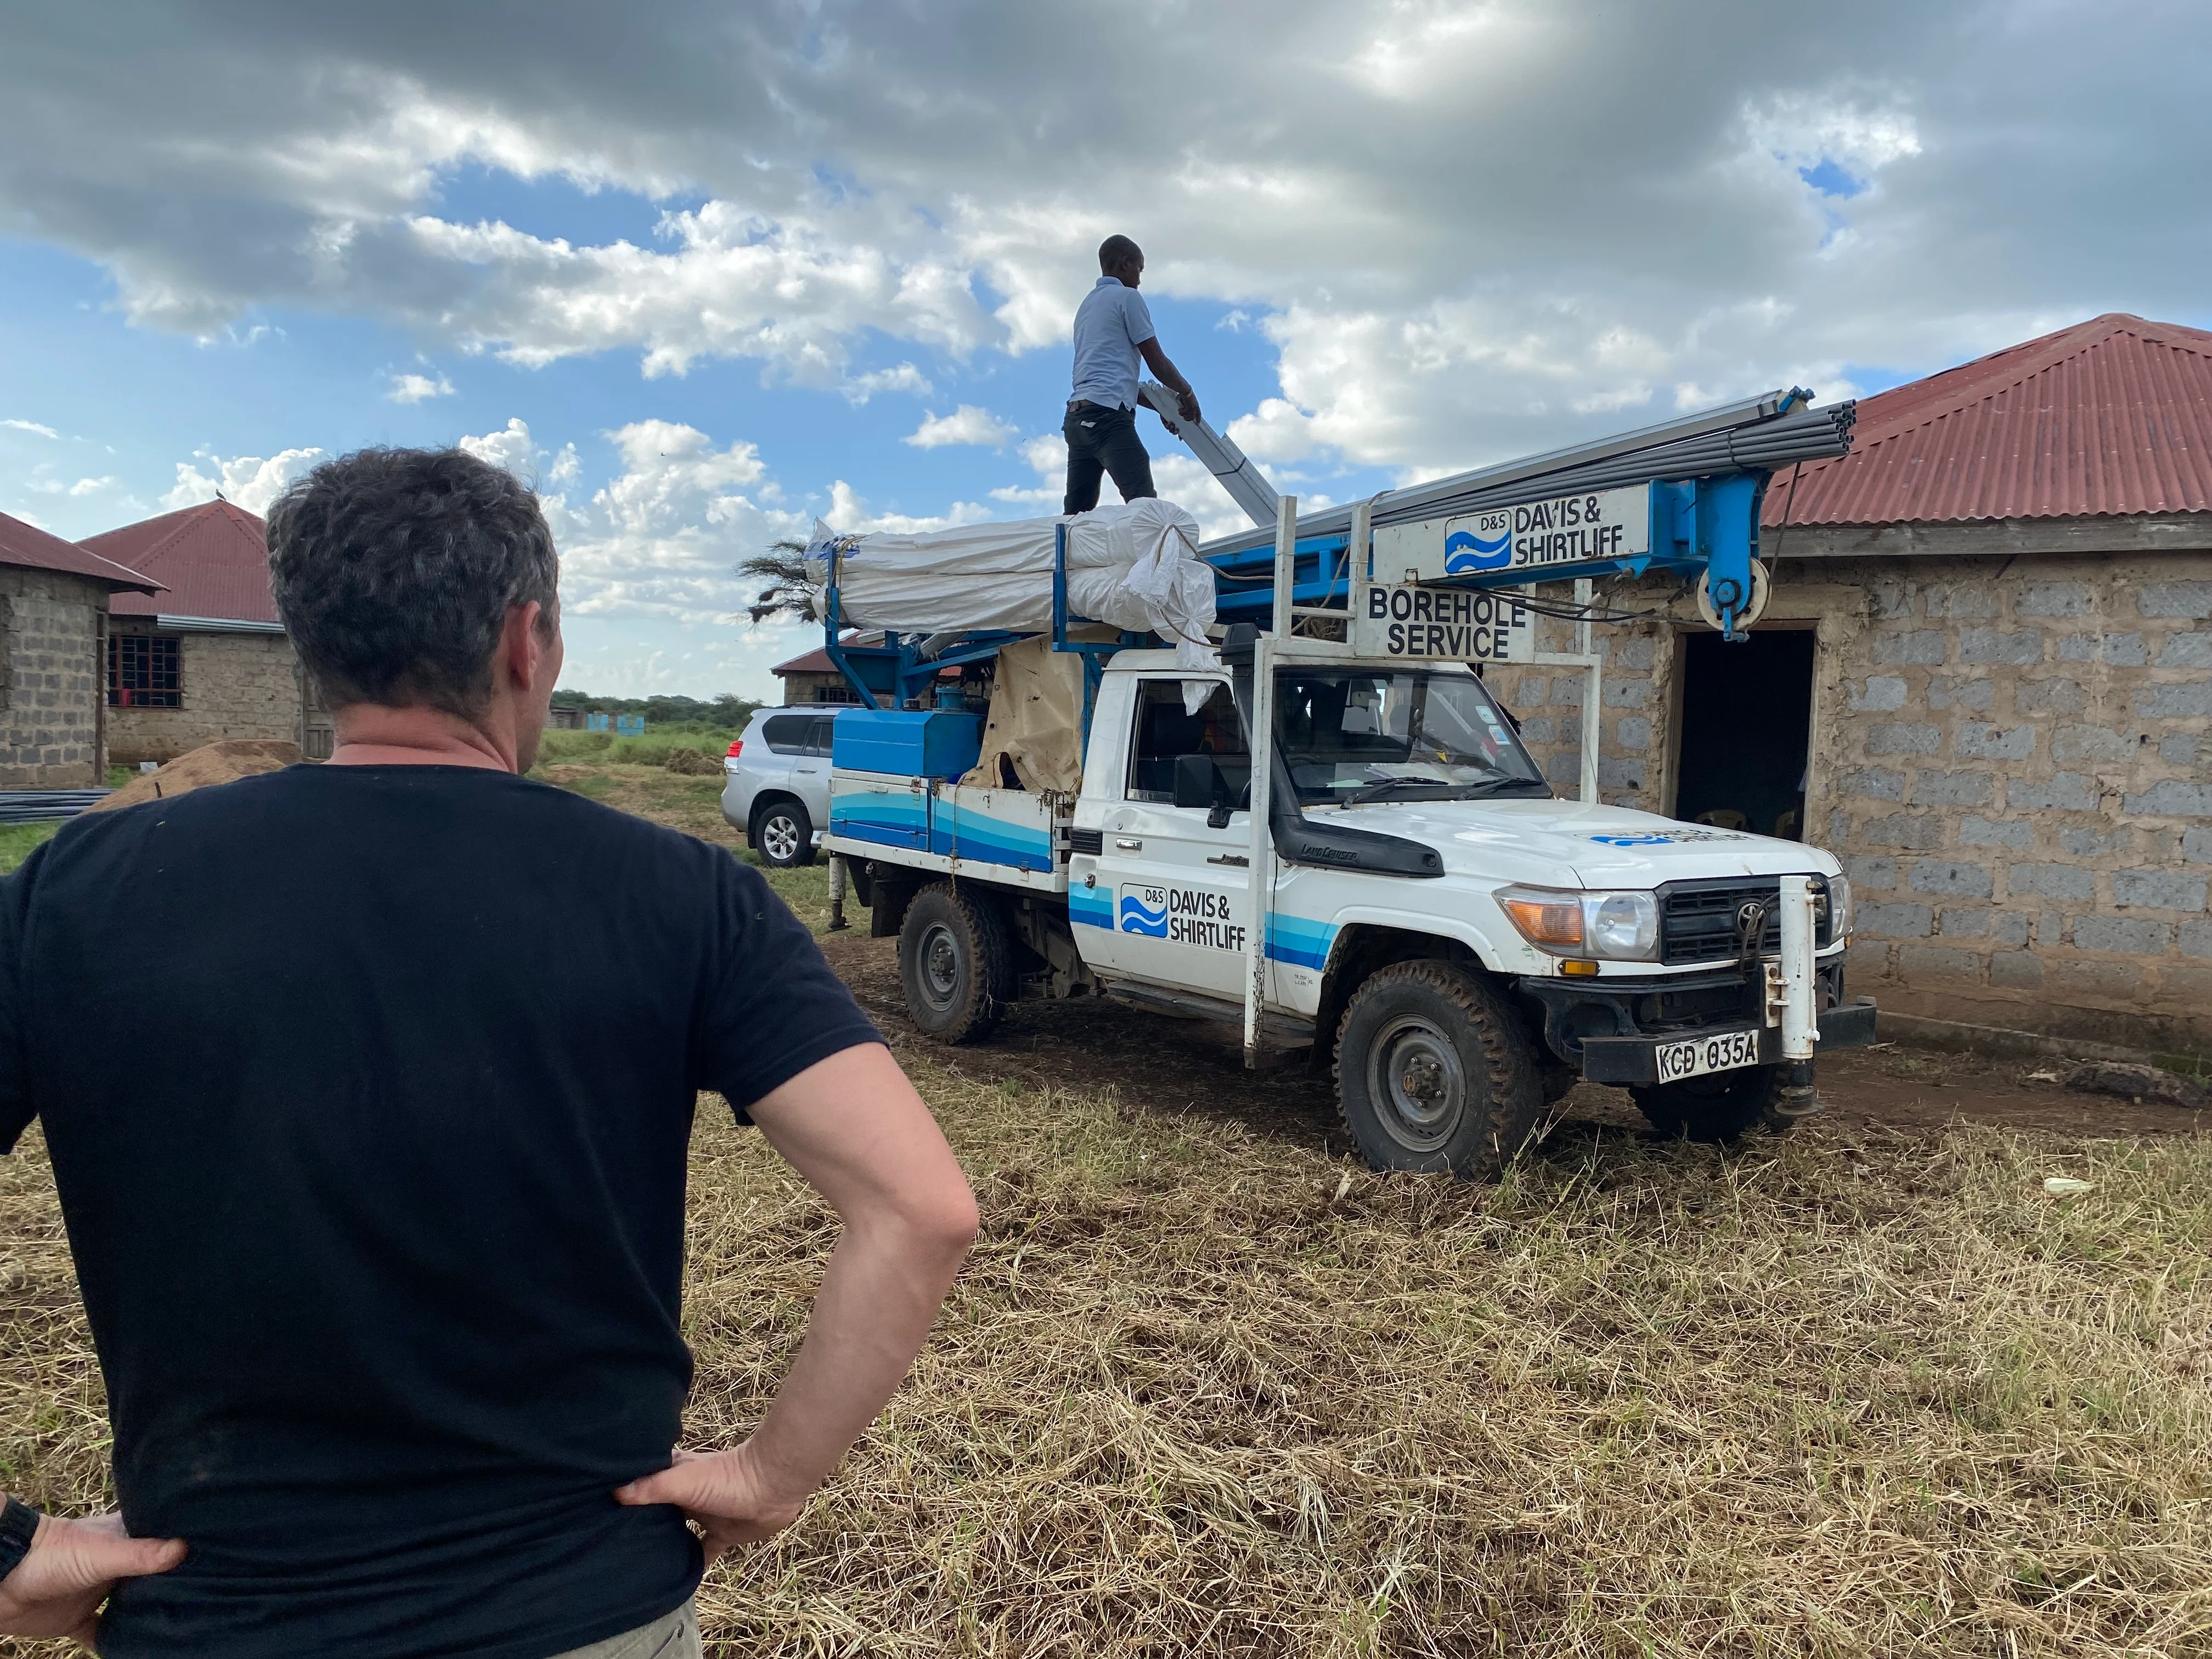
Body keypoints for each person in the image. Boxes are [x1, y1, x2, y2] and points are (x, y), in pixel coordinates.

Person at [0, 448, 979, 1658]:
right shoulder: (682, 897)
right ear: (529, 644)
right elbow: (922, 1208)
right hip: (583, 1605)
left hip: (224, 1616)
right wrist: (775, 1476)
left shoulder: (78, 892)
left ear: (315, 649)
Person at [1063, 233, 1203, 516]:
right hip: (1106, 420)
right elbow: (1157, 361)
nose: (1139, 280)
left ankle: (1064, 560)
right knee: (1146, 507)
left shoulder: (1087, 307)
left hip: (1078, 420)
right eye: (1139, 270)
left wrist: (1163, 408)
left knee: (1076, 518)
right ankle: (1157, 558)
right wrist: (1186, 394)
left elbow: (1114, 383)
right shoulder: (1128, 298)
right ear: (1125, 264)